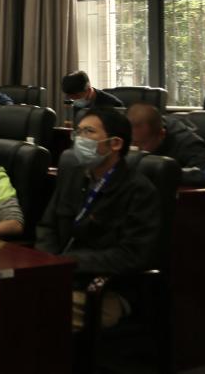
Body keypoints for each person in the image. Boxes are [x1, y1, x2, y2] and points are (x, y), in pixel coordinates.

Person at [36, 108, 160, 330]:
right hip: (61, 276)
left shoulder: (138, 190)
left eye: (89, 132)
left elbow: (133, 255)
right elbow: (47, 226)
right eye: (78, 132)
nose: (80, 139)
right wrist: (50, 263)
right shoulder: (74, 175)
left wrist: (70, 262)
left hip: (106, 288)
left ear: (115, 143)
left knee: (35, 311)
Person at [128, 103, 205, 186]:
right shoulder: (123, 133)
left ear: (161, 135)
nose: (134, 148)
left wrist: (168, 172)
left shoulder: (186, 142)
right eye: (130, 142)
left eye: (141, 143)